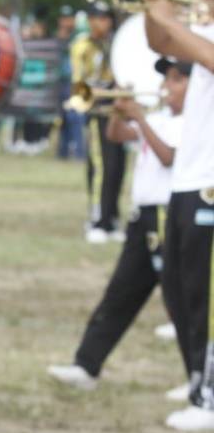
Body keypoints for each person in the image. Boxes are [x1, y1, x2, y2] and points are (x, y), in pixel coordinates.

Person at [47, 57, 188, 389]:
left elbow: (169, 157)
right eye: (167, 79)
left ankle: (198, 376)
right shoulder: (159, 117)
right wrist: (117, 110)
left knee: (182, 301)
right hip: (143, 217)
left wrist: (140, 116)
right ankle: (86, 365)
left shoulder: (197, 123)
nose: (167, 87)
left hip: (171, 215)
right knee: (120, 294)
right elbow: (116, 135)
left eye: (177, 80)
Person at [144, 0, 214, 432]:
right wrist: (154, 10)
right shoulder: (201, 35)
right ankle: (196, 381)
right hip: (189, 180)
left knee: (206, 299)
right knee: (179, 291)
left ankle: (207, 398)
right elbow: (159, 44)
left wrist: (168, 16)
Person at [73, 0, 126, 243]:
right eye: (95, 18)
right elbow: (79, 82)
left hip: (118, 112)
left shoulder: (120, 43)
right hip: (97, 111)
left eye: (104, 18)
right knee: (100, 167)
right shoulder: (83, 45)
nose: (99, 23)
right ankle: (97, 218)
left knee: (118, 166)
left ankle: (112, 216)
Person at [56, 6, 85, 160]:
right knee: (63, 118)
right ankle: (63, 152)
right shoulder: (60, 36)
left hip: (75, 81)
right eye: (63, 18)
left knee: (75, 117)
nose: (65, 22)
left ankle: (80, 152)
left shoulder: (79, 37)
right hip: (62, 81)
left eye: (68, 18)